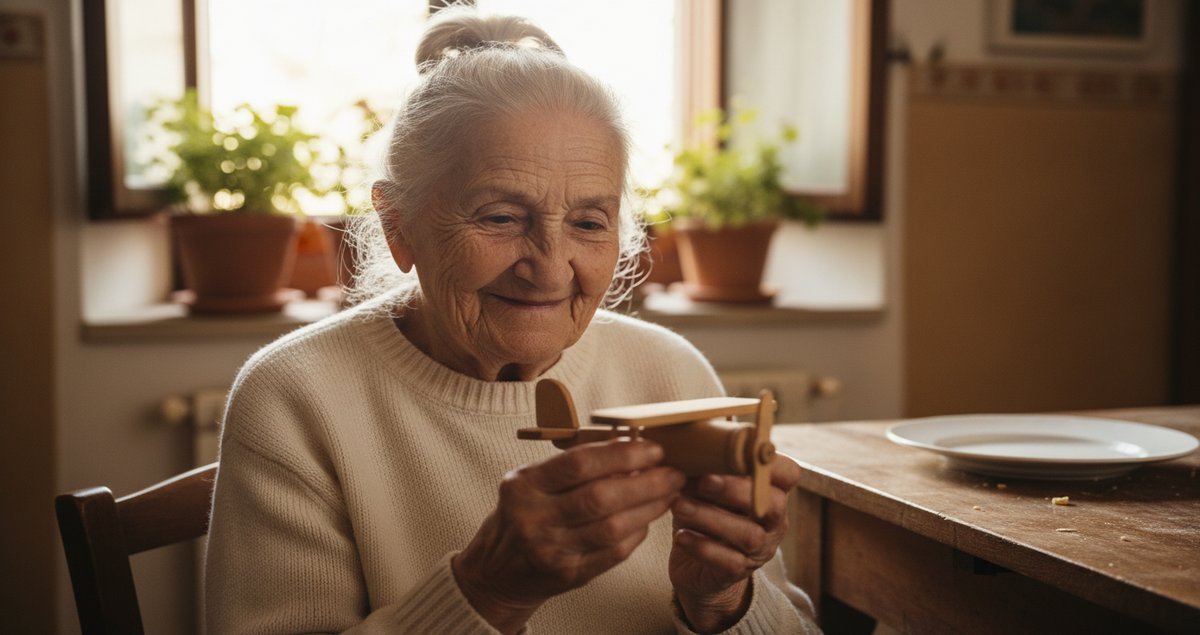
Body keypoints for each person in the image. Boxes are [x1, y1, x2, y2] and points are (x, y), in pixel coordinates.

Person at [205, 7, 820, 634]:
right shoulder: (296, 396)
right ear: (398, 226)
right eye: (500, 217)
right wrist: (486, 592)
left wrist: (721, 600)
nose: (550, 271)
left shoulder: (670, 372)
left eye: (588, 223)